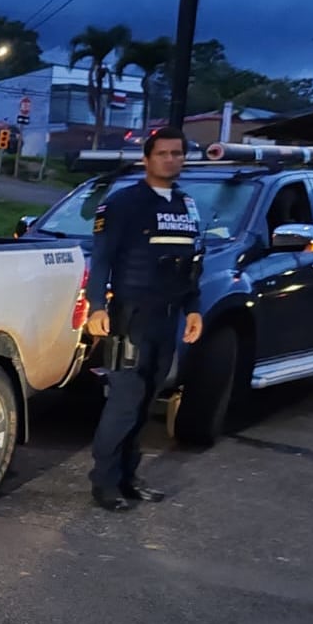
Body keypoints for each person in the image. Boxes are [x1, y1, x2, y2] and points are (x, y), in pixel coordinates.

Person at [84, 127, 205, 512]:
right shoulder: (123, 203)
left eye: (178, 153)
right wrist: (96, 306)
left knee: (146, 402)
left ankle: (128, 477)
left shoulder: (187, 205)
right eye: (163, 153)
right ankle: (103, 483)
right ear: (147, 159)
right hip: (130, 317)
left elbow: (191, 265)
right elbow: (101, 258)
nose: (171, 159)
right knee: (125, 401)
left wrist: (194, 309)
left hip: (167, 319)